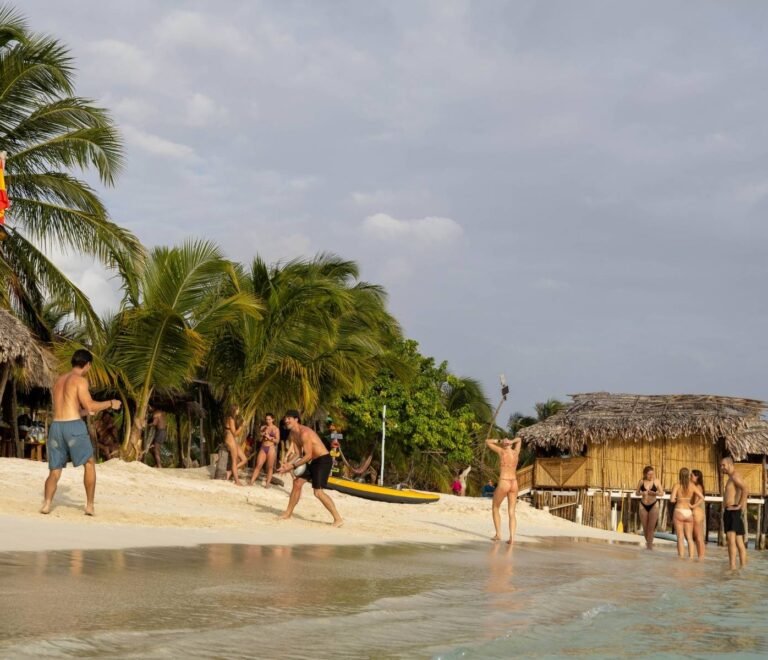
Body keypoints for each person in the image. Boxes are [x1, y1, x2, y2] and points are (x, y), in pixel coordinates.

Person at [41, 349, 122, 516]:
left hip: (56, 427)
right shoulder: (80, 381)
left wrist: (85, 413)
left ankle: (47, 504)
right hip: (73, 427)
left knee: (55, 470)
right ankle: (90, 506)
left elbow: (73, 407)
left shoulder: (58, 381)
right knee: (90, 463)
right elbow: (90, 405)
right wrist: (110, 403)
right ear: (87, 365)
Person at [277, 410, 343, 527]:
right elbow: (298, 454)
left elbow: (307, 455)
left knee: (318, 492)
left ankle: (338, 519)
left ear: (296, 419)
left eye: (289, 418)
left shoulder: (304, 433)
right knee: (297, 483)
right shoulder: (293, 434)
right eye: (285, 418)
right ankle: (288, 513)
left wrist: (292, 466)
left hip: (323, 460)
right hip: (313, 460)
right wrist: (287, 465)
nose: (286, 420)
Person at [485, 437, 522, 544]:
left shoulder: (501, 451)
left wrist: (500, 441)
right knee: (511, 511)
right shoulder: (516, 452)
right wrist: (511, 441)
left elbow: (487, 441)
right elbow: (519, 439)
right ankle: (512, 538)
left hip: (504, 481)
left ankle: (498, 534)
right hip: (514, 482)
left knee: (495, 507)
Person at [720, 456, 748, 569]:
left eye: (723, 465)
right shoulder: (731, 477)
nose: (722, 468)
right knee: (739, 542)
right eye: (721, 465)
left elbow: (746, 489)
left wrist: (740, 505)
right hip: (732, 511)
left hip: (733, 512)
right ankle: (743, 567)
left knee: (731, 541)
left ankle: (732, 567)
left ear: (730, 464)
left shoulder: (735, 476)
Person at [670, 467, 702, 559]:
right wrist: (693, 506)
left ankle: (681, 558)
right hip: (688, 512)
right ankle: (691, 558)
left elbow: (672, 500)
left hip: (679, 511)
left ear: (679, 475)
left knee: (680, 537)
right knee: (690, 538)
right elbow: (702, 497)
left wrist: (676, 499)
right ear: (688, 475)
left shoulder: (677, 485)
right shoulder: (692, 486)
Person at [635, 465, 663, 550]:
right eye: (649, 474)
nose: (651, 476)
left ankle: (649, 547)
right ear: (645, 474)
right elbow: (636, 493)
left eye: (652, 474)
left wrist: (655, 493)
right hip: (643, 505)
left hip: (653, 505)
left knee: (651, 527)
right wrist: (641, 493)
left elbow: (662, 493)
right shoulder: (641, 481)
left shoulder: (657, 481)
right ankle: (649, 545)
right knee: (645, 527)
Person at [249, 413, 279, 487]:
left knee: (270, 467)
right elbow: (259, 439)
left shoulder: (275, 429)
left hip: (271, 448)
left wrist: (269, 437)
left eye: (269, 419)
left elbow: (277, 441)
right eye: (266, 419)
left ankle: (267, 484)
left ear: (273, 419)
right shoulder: (263, 427)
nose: (268, 421)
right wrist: (261, 435)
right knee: (258, 465)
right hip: (263, 447)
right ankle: (251, 481)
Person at [224, 405, 247, 486]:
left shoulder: (232, 418)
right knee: (234, 460)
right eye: (238, 409)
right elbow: (235, 433)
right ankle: (237, 481)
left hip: (232, 440)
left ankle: (230, 472)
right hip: (230, 440)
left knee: (244, 459)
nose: (238, 411)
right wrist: (241, 426)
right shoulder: (231, 419)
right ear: (235, 410)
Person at [690, 469, 707, 559]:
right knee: (698, 536)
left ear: (697, 477)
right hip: (699, 512)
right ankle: (701, 556)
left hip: (696, 512)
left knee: (698, 536)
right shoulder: (699, 486)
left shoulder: (698, 487)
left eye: (691, 475)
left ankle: (701, 557)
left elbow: (699, 499)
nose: (690, 477)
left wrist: (692, 506)